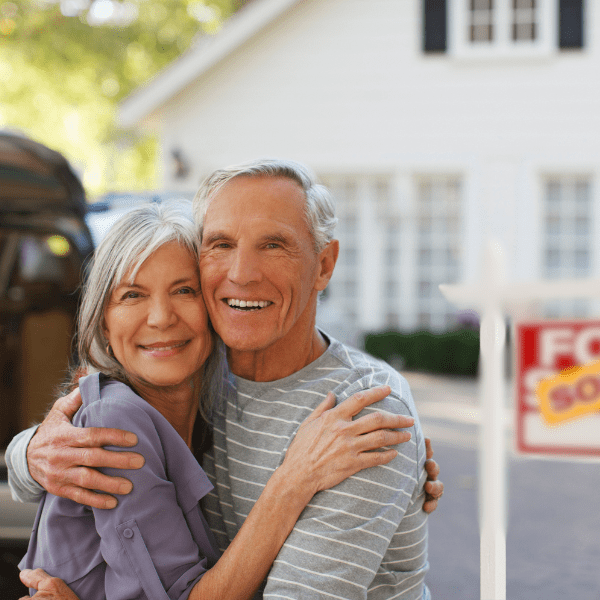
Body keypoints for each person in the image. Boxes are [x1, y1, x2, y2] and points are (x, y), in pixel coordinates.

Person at [10, 159, 442, 598]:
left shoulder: (359, 418)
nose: (242, 274)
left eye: (273, 245)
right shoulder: (194, 387)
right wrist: (30, 453)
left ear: (324, 265)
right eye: (221, 245)